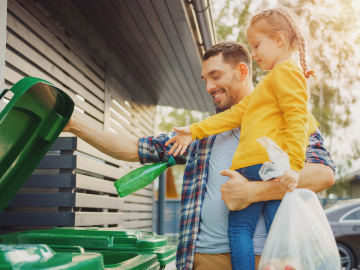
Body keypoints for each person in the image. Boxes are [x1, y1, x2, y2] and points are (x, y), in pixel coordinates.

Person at [63, 42, 335, 270]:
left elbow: (323, 175)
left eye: (216, 76)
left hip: (265, 260)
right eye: (205, 80)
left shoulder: (289, 117)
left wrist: (253, 191)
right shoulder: (201, 134)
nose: (208, 87)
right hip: (203, 259)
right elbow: (136, 148)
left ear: (242, 71)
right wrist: (75, 125)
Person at [165, 7, 329, 270]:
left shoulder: (286, 73)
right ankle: (283, 263)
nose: (253, 53)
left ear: (279, 40)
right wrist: (193, 130)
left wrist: (296, 166)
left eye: (256, 45)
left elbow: (297, 120)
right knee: (280, 228)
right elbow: (236, 114)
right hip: (264, 168)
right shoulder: (271, 81)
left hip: (253, 167)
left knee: (240, 229)